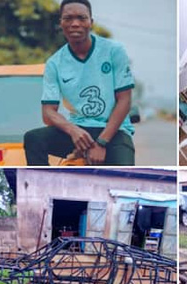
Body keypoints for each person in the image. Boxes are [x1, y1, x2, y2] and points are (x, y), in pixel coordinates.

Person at [24, 0, 136, 165]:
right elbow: (48, 113)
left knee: (125, 174)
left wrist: (101, 143)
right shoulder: (54, 63)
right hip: (79, 131)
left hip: (114, 132)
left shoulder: (113, 51)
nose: (75, 24)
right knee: (33, 138)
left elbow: (124, 100)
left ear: (91, 22)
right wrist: (73, 130)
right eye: (68, 18)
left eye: (81, 18)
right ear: (61, 23)